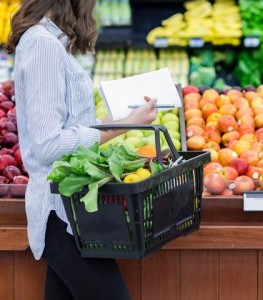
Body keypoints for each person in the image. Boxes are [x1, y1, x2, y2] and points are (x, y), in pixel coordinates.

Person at [5, 0, 157, 299]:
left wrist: (124, 120)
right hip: (61, 215)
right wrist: (122, 127)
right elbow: (49, 144)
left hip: (72, 213)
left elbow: (71, 126)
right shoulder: (43, 47)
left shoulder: (49, 42)